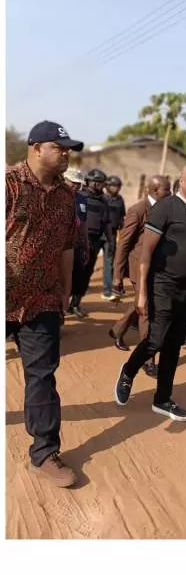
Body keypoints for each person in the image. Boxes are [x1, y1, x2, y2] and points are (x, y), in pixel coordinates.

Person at [6, 120, 84, 487]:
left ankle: (44, 453)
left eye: (68, 148)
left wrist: (65, 290)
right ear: (36, 148)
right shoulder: (8, 184)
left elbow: (67, 246)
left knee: (42, 376)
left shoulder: (68, 196)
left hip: (42, 300)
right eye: (59, 147)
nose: (66, 153)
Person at [114, 164, 186, 422]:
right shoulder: (165, 207)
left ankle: (162, 399)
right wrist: (142, 292)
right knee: (156, 340)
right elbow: (146, 251)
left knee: (174, 346)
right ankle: (128, 370)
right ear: (182, 181)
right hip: (162, 285)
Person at [109, 174, 172, 378]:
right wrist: (117, 276)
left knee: (141, 303)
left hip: (157, 267)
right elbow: (124, 244)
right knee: (147, 311)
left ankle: (118, 330)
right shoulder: (138, 210)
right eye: (166, 190)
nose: (170, 193)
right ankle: (148, 358)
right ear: (154, 191)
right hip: (138, 268)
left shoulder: (167, 209)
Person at [68, 168, 114, 318]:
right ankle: (61, 304)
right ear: (92, 183)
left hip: (93, 243)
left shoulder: (104, 201)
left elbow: (106, 223)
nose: (102, 186)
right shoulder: (79, 197)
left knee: (85, 274)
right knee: (70, 272)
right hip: (75, 242)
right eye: (100, 183)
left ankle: (75, 303)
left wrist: (111, 241)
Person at [63, 168, 90, 316]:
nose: (76, 186)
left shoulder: (81, 199)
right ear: (65, 180)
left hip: (77, 244)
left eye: (78, 184)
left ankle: (72, 305)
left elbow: (84, 223)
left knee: (77, 276)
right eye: (73, 183)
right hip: (60, 245)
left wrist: (86, 244)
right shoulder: (56, 196)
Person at [102, 175, 126, 300]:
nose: (116, 189)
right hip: (99, 233)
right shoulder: (102, 198)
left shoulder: (120, 200)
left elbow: (122, 216)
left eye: (118, 186)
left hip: (111, 234)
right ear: (107, 186)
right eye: (113, 186)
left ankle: (107, 290)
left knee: (109, 262)